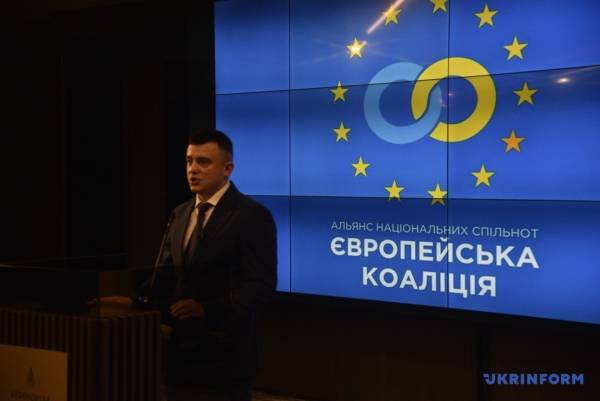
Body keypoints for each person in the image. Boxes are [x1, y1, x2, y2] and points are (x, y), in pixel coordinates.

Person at [104, 129, 277, 401]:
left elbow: (261, 285)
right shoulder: (180, 213)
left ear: (227, 169)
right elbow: (164, 279)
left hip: (226, 356)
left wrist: (207, 309)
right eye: (189, 161)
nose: (193, 169)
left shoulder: (251, 215)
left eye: (203, 162)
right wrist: (135, 302)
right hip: (178, 354)